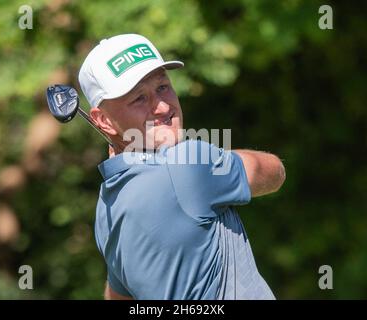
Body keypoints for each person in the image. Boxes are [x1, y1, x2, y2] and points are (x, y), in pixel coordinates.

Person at [78, 34, 285, 300]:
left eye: (163, 86)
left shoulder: (106, 209)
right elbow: (274, 171)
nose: (163, 106)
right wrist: (214, 160)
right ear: (103, 120)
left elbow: (117, 296)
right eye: (139, 98)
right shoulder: (188, 162)